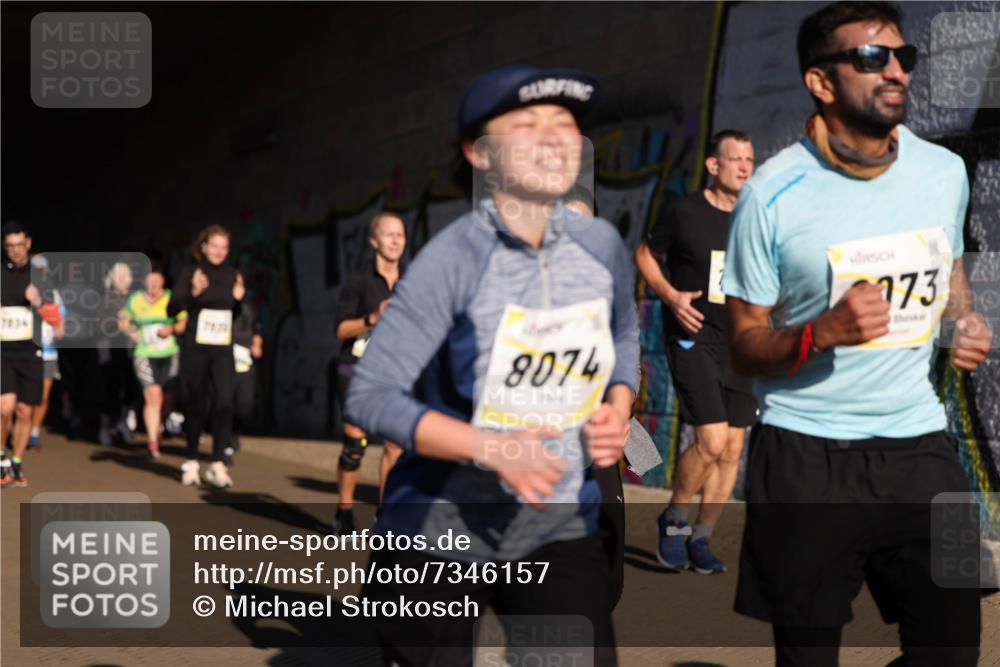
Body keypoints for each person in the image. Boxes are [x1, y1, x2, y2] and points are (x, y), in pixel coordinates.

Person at [723, 3, 992, 665]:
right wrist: (822, 332)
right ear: (820, 82)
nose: (896, 70)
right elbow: (744, 344)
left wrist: (961, 323)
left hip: (923, 445)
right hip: (806, 457)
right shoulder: (771, 194)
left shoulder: (943, 173)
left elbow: (949, 274)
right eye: (872, 59)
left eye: (904, 57)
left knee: (954, 648)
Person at [347, 65, 638, 666]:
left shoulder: (601, 245)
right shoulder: (451, 259)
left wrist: (617, 405)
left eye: (564, 123)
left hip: (554, 523)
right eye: (527, 124)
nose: (555, 137)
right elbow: (370, 395)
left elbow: (624, 336)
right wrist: (493, 448)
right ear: (478, 153)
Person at [634, 129, 757, 573]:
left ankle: (702, 537)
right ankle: (675, 518)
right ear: (713, 166)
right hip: (693, 335)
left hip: (739, 341)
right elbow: (645, 254)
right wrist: (670, 296)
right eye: (735, 158)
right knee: (711, 438)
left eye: (749, 159)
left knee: (732, 448)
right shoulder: (685, 211)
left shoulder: (754, 215)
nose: (744, 166)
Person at [332, 211, 406, 533]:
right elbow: (341, 330)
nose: (395, 241)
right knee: (355, 448)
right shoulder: (359, 279)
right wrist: (373, 318)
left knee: (395, 446)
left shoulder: (412, 279)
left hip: (393, 371)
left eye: (400, 235)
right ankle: (344, 512)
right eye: (388, 235)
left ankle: (385, 517)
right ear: (374, 241)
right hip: (356, 368)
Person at [169, 225, 244, 488]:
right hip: (196, 348)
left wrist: (238, 301)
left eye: (224, 247)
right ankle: (190, 460)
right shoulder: (192, 273)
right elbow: (172, 307)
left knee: (225, 402)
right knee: (197, 403)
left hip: (222, 348)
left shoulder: (232, 274)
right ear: (203, 247)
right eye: (214, 246)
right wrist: (193, 293)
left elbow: (233, 314)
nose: (219, 252)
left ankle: (217, 463)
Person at [1, 221, 60, 487]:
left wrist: (37, 301)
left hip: (30, 352)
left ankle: (16, 462)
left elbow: (56, 319)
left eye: (19, 245)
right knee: (5, 409)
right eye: (9, 246)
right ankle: (2, 458)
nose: (14, 251)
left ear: (28, 244)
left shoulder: (41, 278)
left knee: (25, 411)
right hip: (3, 351)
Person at [119, 264, 186, 458]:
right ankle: (152, 442)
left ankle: (160, 423)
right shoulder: (136, 300)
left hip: (169, 354)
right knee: (153, 395)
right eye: (150, 280)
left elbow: (183, 322)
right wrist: (130, 332)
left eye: (157, 280)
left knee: (166, 398)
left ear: (163, 281)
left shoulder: (171, 299)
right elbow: (122, 319)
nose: (153, 284)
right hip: (144, 354)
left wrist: (171, 330)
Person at [98, 261, 139, 446]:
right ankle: (105, 428)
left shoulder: (135, 299)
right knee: (109, 389)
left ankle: (122, 423)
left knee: (130, 388)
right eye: (118, 277)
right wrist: (119, 325)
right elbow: (101, 324)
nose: (122, 280)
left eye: (125, 277)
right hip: (109, 351)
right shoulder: (105, 299)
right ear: (112, 279)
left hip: (131, 350)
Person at [29, 254, 66, 451]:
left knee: (43, 396)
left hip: (49, 352)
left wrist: (60, 329)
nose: (40, 272)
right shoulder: (20, 291)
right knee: (20, 398)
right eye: (36, 269)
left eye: (43, 269)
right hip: (24, 351)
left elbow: (62, 322)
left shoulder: (54, 294)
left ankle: (34, 433)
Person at [226, 281, 263, 464]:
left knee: (244, 403)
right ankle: (224, 443)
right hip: (222, 359)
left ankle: (234, 429)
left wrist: (257, 343)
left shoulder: (249, 309)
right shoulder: (220, 307)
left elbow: (256, 328)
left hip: (243, 360)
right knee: (224, 402)